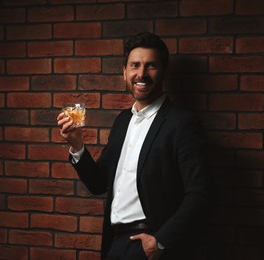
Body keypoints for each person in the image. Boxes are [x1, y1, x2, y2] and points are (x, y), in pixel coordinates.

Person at [57, 32, 211, 260]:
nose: (141, 73)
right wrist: (77, 144)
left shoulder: (182, 123)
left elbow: (200, 192)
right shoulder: (122, 121)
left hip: (149, 245)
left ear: (163, 71)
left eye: (151, 66)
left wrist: (160, 242)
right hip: (115, 243)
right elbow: (99, 184)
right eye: (135, 65)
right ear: (124, 72)